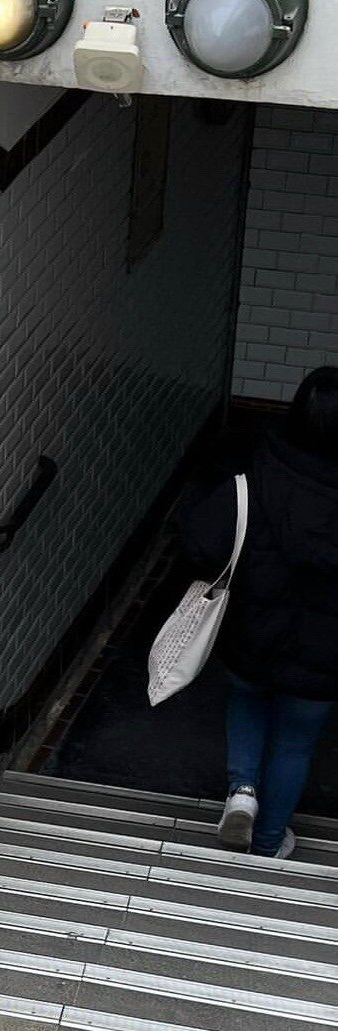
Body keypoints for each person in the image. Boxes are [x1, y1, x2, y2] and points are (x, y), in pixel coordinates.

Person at [175, 367, 338, 858]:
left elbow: (199, 546)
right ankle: (268, 844)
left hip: (253, 632)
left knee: (247, 702)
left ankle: (243, 791)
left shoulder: (252, 478)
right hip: (324, 653)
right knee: (295, 743)